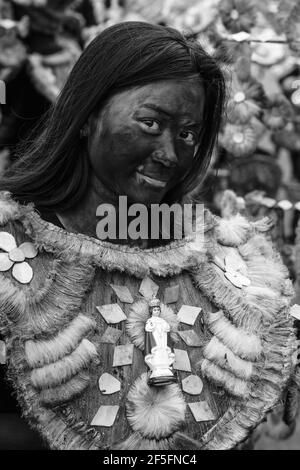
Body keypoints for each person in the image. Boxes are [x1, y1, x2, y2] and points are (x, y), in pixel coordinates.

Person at [0, 21, 297, 450]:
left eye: (187, 134)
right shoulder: (11, 247)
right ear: (87, 114)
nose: (169, 154)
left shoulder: (235, 260)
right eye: (151, 123)